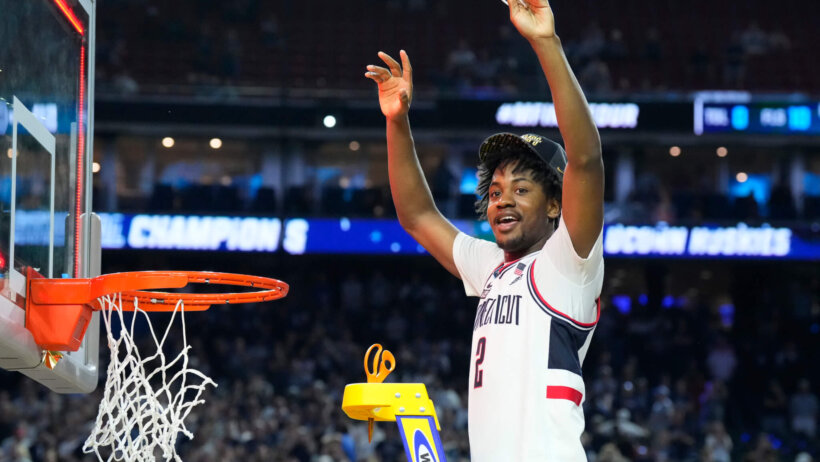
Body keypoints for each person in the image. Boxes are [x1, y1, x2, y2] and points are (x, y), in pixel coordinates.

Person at [364, 0, 604, 459]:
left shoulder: (568, 263)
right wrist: (397, 122)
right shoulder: (493, 267)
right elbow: (416, 215)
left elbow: (587, 160)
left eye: (520, 189)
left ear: (556, 204)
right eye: (494, 192)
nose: (502, 201)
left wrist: (545, 42)